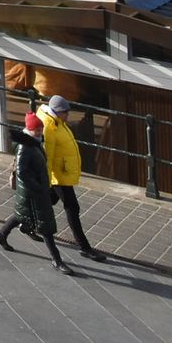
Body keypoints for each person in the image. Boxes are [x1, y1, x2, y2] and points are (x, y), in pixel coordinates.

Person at [0, 113, 72, 274]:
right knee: (45, 225)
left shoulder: (34, 142)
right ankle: (57, 260)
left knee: (20, 215)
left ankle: (1, 234)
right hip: (33, 192)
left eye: (41, 128)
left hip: (34, 191)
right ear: (30, 129)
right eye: (37, 129)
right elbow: (22, 171)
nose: (41, 131)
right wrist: (38, 187)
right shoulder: (26, 146)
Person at [40, 95, 109, 261]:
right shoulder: (50, 127)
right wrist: (47, 180)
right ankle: (84, 247)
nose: (68, 114)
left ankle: (20, 223)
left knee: (47, 202)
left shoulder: (58, 122)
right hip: (58, 176)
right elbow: (47, 157)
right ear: (57, 112)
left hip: (61, 173)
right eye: (65, 112)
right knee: (72, 208)